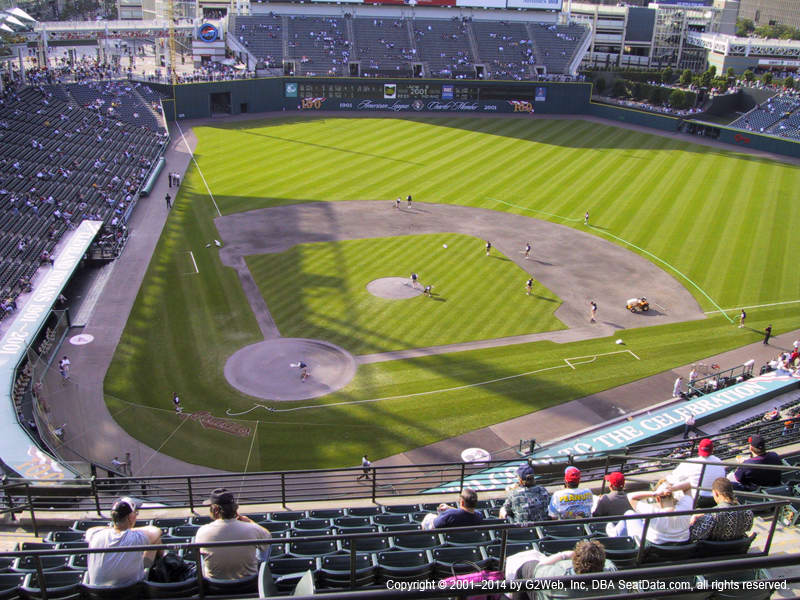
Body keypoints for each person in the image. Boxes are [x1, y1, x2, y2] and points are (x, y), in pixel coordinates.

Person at [194, 488, 271, 579]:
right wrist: (250, 522)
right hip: (248, 583)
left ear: (215, 510)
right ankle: (260, 568)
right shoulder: (252, 528)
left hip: (214, 584)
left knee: (201, 555)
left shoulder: (202, 531)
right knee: (262, 543)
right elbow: (268, 538)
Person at [85, 497, 162, 586]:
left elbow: (89, 531)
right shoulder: (135, 537)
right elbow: (156, 531)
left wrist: (117, 529)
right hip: (131, 591)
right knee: (156, 540)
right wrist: (128, 530)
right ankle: (163, 562)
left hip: (96, 592)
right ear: (130, 517)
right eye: (135, 513)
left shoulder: (95, 534)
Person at [511, 540, 616, 600]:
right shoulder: (614, 577)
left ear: (574, 560)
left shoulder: (557, 576)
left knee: (526, 569)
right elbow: (608, 563)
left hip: (553, 591)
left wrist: (563, 555)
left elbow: (539, 567)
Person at [607, 480, 692, 543]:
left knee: (629, 513)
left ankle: (614, 533)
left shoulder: (652, 511)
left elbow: (630, 497)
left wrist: (654, 493)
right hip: (681, 548)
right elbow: (688, 485)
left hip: (652, 549)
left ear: (657, 499)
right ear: (672, 496)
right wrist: (671, 489)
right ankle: (615, 532)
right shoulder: (685, 507)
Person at [665, 438, 726, 508]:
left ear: (699, 449)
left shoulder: (690, 463)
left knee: (681, 483)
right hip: (716, 498)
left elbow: (671, 479)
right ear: (712, 450)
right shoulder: (718, 461)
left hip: (698, 499)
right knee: (688, 482)